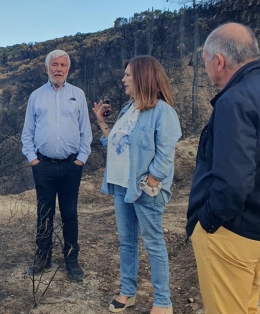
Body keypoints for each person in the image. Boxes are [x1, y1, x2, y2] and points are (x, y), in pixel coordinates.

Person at [187, 23, 260, 314]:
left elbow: (233, 181)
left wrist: (207, 222)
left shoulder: (233, 101)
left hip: (234, 234)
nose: (207, 67)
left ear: (219, 61)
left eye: (205, 62)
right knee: (248, 308)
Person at [94, 55, 181, 314]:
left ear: (142, 77)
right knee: (127, 242)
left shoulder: (163, 113)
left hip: (144, 190)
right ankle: (127, 292)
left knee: (154, 243)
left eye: (128, 75)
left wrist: (150, 181)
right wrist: (101, 122)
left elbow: (166, 155)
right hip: (122, 187)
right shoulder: (128, 109)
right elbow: (116, 144)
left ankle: (163, 301)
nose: (123, 79)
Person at [21, 49, 92, 280]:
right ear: (47, 68)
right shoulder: (36, 96)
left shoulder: (78, 94)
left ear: (68, 69)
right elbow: (27, 133)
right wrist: (34, 160)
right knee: (44, 213)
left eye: (63, 65)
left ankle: (72, 259)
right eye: (54, 65)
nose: (58, 69)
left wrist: (81, 159)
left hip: (72, 164)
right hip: (44, 165)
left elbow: (85, 131)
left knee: (70, 214)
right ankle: (43, 257)